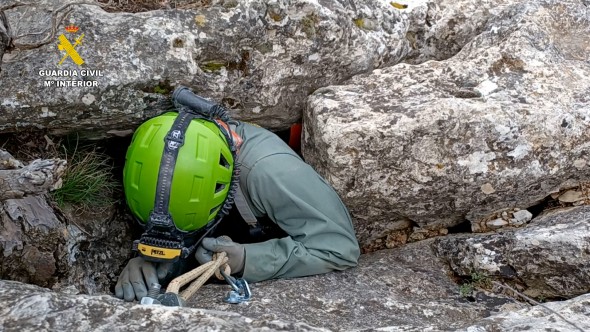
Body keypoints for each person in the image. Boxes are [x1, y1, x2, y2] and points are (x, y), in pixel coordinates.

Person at [114, 87, 360, 302]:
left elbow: (338, 248)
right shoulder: (148, 156)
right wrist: (150, 258)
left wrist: (247, 259)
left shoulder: (272, 173)